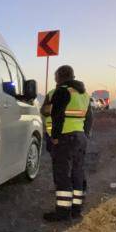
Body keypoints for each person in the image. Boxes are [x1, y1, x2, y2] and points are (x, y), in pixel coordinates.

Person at [43, 65, 93, 222]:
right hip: (80, 138)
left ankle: (63, 213)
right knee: (77, 173)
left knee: (62, 175)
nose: (55, 79)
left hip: (64, 138)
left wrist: (55, 137)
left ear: (59, 76)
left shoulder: (60, 91)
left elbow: (57, 115)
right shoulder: (83, 94)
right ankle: (76, 210)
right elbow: (89, 118)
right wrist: (85, 135)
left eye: (55, 76)